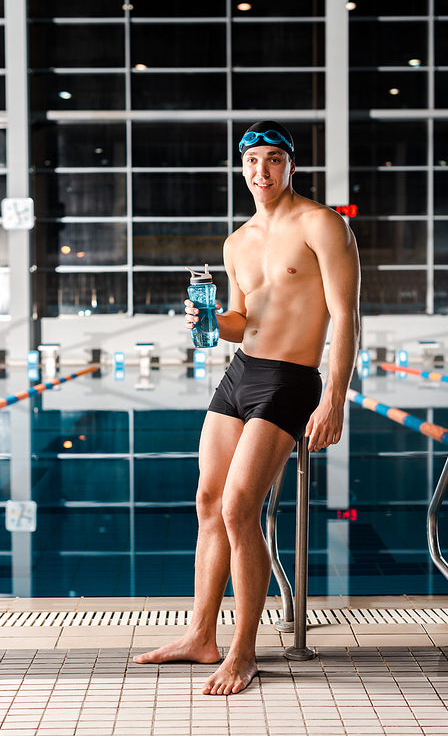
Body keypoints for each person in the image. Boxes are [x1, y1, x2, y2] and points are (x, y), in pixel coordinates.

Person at [134, 120, 361, 696]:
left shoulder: (322, 224)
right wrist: (206, 321)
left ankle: (242, 653)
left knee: (239, 509)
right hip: (241, 374)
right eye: (252, 161)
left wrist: (335, 397)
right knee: (208, 502)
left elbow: (346, 316)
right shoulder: (237, 241)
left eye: (273, 160)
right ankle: (200, 637)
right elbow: (240, 321)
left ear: (290, 165)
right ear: (241, 168)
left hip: (290, 379)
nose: (261, 171)